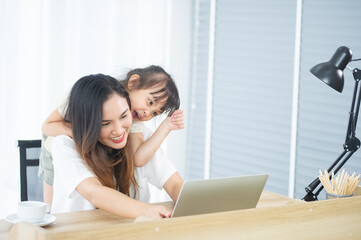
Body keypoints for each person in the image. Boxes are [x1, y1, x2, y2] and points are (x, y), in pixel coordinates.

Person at [39, 65, 184, 205]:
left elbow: (138, 158)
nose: (147, 113)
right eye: (150, 102)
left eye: (155, 113)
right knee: (51, 205)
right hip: (54, 141)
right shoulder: (91, 94)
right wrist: (90, 132)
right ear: (133, 82)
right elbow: (48, 126)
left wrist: (166, 126)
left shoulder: (134, 119)